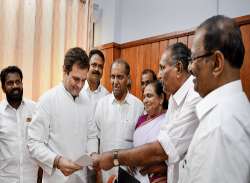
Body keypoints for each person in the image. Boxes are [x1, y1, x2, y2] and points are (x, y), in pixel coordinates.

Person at [93, 42, 201, 183]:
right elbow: (164, 140)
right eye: (112, 77)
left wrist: (114, 157)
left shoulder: (195, 96)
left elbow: (162, 149)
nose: (159, 75)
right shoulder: (175, 97)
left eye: (162, 68)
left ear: (179, 68)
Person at [178, 15, 250, 183]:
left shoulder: (218, 128)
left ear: (217, 63)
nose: (189, 67)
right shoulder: (236, 110)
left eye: (193, 58)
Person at [27, 47, 98, 183]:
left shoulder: (87, 101)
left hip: (81, 178)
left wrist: (93, 154)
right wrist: (57, 161)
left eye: (84, 80)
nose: (80, 85)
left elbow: (92, 135)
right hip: (56, 178)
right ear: (65, 71)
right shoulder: (47, 100)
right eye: (76, 79)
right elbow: (33, 143)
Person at [93, 59, 144, 182]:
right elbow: (95, 137)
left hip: (129, 174)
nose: (115, 82)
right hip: (105, 173)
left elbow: (142, 140)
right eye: (112, 77)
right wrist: (97, 170)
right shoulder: (101, 104)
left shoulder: (139, 106)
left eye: (120, 77)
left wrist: (136, 159)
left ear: (128, 79)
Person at [0, 66, 39, 183]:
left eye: (18, 82)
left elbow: (41, 142)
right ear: (3, 87)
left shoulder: (34, 109)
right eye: (10, 83)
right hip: (5, 179)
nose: (15, 86)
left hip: (31, 178)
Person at [81, 49, 109, 183]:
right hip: (77, 149)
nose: (97, 69)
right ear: (87, 65)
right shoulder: (77, 90)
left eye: (100, 66)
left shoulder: (107, 96)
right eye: (94, 65)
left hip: (96, 155)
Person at [133, 81, 168, 183]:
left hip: (159, 178)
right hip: (138, 177)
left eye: (149, 96)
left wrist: (158, 168)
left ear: (161, 98)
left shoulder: (168, 119)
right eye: (144, 97)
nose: (145, 100)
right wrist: (130, 161)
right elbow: (135, 147)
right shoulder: (141, 120)